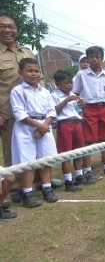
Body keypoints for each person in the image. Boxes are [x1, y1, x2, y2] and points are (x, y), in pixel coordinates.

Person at [11, 58, 59, 207]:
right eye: (29, 71)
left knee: (46, 159)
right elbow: (19, 112)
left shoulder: (45, 92)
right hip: (26, 128)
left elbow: (51, 110)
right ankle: (27, 192)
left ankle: (46, 188)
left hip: (45, 127)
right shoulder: (17, 91)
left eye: (36, 71)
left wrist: (44, 126)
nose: (33, 74)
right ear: (21, 72)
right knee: (28, 162)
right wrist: (38, 126)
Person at [72, 46, 105, 176]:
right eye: (91, 57)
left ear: (102, 59)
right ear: (87, 59)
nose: (94, 59)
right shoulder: (81, 75)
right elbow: (75, 93)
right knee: (88, 139)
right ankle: (87, 169)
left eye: (97, 56)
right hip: (89, 108)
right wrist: (79, 107)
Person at [0, 10, 36, 167]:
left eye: (11, 26)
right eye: (2, 26)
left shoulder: (27, 52)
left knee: (36, 145)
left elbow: (39, 79)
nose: (8, 30)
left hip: (34, 111)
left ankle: (39, 181)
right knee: (13, 149)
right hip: (9, 115)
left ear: (16, 29)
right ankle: (16, 186)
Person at [51, 70, 94, 190]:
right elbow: (54, 111)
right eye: (66, 83)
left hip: (77, 123)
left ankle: (79, 175)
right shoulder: (53, 96)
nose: (69, 85)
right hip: (64, 124)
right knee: (66, 154)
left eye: (71, 82)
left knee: (78, 151)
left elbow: (78, 110)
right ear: (58, 83)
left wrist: (81, 105)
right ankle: (68, 181)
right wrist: (66, 100)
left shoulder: (73, 95)